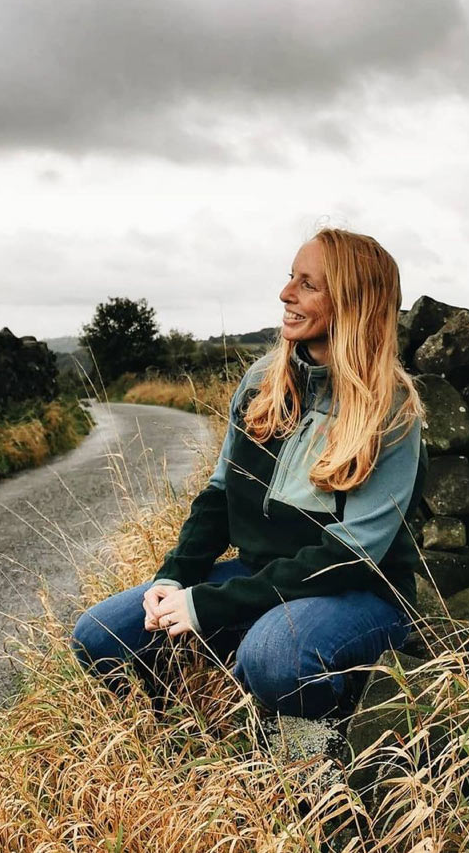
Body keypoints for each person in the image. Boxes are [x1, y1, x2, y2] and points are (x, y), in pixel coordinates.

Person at [70, 227, 427, 719]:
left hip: (358, 596)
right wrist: (176, 579)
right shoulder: (263, 381)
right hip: (260, 579)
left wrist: (213, 606)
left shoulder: (391, 409)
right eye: (290, 279)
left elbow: (350, 557)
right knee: (98, 634)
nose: (286, 294)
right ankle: (190, 725)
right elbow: (218, 497)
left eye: (308, 284)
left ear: (353, 302)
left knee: (275, 656)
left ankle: (319, 744)